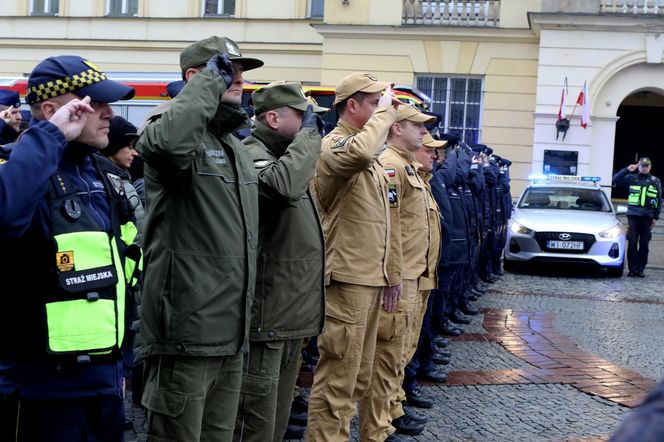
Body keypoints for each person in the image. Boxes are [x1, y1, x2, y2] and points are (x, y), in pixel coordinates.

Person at [0, 55, 136, 441]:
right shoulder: (16, 169)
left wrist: (121, 364)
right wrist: (51, 135)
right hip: (42, 389)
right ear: (52, 109)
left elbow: (122, 275)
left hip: (103, 385)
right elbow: (7, 215)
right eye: (95, 103)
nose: (109, 113)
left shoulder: (101, 175)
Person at [136, 36, 262, 441]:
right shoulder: (170, 127)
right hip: (187, 330)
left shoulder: (233, 145)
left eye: (240, 71)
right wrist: (208, 84)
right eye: (229, 70)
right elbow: (169, 144)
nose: (240, 79)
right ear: (196, 77)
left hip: (231, 329)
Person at [307, 72, 401, 440]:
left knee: (359, 378)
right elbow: (361, 152)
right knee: (338, 383)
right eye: (375, 103)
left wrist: (391, 274)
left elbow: (386, 223)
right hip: (347, 281)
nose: (383, 109)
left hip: (370, 279)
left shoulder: (372, 157)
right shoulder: (336, 145)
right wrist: (386, 115)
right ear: (353, 106)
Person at [233, 82, 327, 441]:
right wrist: (307, 139)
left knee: (276, 421)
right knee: (255, 422)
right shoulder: (252, 151)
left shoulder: (292, 156)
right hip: (266, 318)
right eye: (301, 117)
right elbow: (281, 188)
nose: (310, 126)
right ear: (272, 117)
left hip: (290, 318)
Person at [359, 105, 436, 440]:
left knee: (397, 355)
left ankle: (388, 417)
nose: (423, 134)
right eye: (417, 127)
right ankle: (378, 427)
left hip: (413, 275)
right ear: (396, 129)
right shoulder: (392, 166)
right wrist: (393, 275)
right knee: (386, 357)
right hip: (400, 278)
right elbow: (389, 228)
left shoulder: (408, 168)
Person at [613, 157, 662, 277]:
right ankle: (632, 269)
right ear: (638, 166)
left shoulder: (655, 181)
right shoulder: (631, 178)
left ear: (650, 167)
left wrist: (656, 217)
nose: (644, 168)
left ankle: (640, 269)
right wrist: (627, 170)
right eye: (642, 165)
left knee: (644, 244)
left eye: (647, 165)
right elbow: (615, 180)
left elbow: (658, 200)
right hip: (633, 216)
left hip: (648, 217)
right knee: (633, 243)